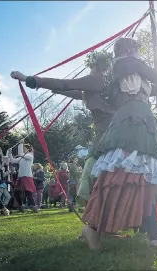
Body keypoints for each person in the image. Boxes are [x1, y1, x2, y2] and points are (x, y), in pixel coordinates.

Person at [12, 37, 157, 250]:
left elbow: (155, 86)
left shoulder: (131, 75)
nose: (139, 54)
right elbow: (69, 85)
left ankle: (154, 235)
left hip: (142, 127)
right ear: (128, 51)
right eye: (136, 50)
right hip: (129, 127)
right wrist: (33, 80)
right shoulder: (124, 65)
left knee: (145, 180)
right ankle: (92, 228)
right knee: (120, 179)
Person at [10, 54, 116, 210]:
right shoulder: (105, 84)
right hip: (109, 135)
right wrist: (59, 91)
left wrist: (29, 79)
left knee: (93, 173)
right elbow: (77, 93)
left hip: (107, 137)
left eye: (91, 65)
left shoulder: (96, 78)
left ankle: (97, 213)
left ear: (97, 66)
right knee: (97, 173)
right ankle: (100, 213)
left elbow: (66, 83)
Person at [8, 140, 38, 213]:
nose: (23, 149)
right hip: (21, 177)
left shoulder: (30, 156)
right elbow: (12, 161)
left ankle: (34, 206)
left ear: (28, 149)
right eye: (23, 148)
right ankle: (21, 206)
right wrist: (9, 152)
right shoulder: (21, 158)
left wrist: (21, 144)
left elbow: (20, 153)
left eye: (24, 148)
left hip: (27, 177)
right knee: (16, 193)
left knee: (28, 193)